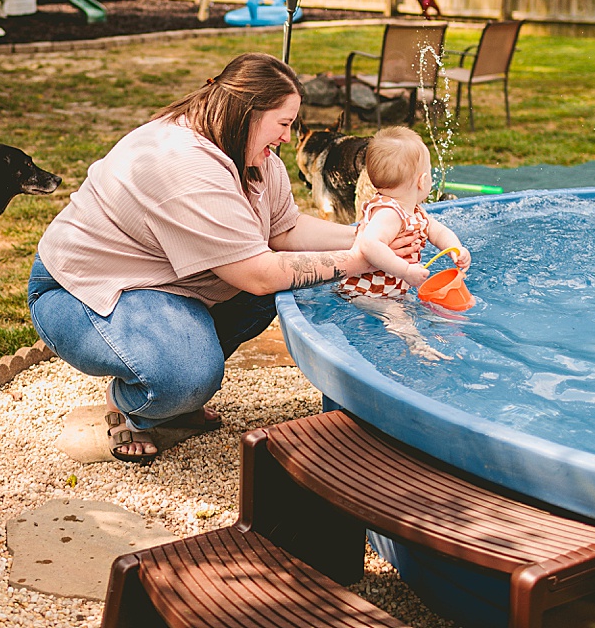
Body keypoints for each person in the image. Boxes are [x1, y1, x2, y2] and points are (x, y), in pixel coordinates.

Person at [27, 52, 420, 464]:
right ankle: (136, 402)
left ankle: (174, 388)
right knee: (186, 376)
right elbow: (258, 274)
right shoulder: (185, 166)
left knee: (299, 280)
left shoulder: (251, 154)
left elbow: (284, 232)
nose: (288, 138)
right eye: (284, 124)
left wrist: (367, 238)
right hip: (79, 293)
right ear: (247, 113)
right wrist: (360, 260)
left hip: (163, 284)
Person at [338, 126, 470, 298]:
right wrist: (405, 271)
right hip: (367, 292)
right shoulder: (389, 213)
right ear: (422, 181)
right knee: (401, 321)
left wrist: (455, 248)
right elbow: (369, 244)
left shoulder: (414, 211)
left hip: (392, 289)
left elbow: (438, 232)